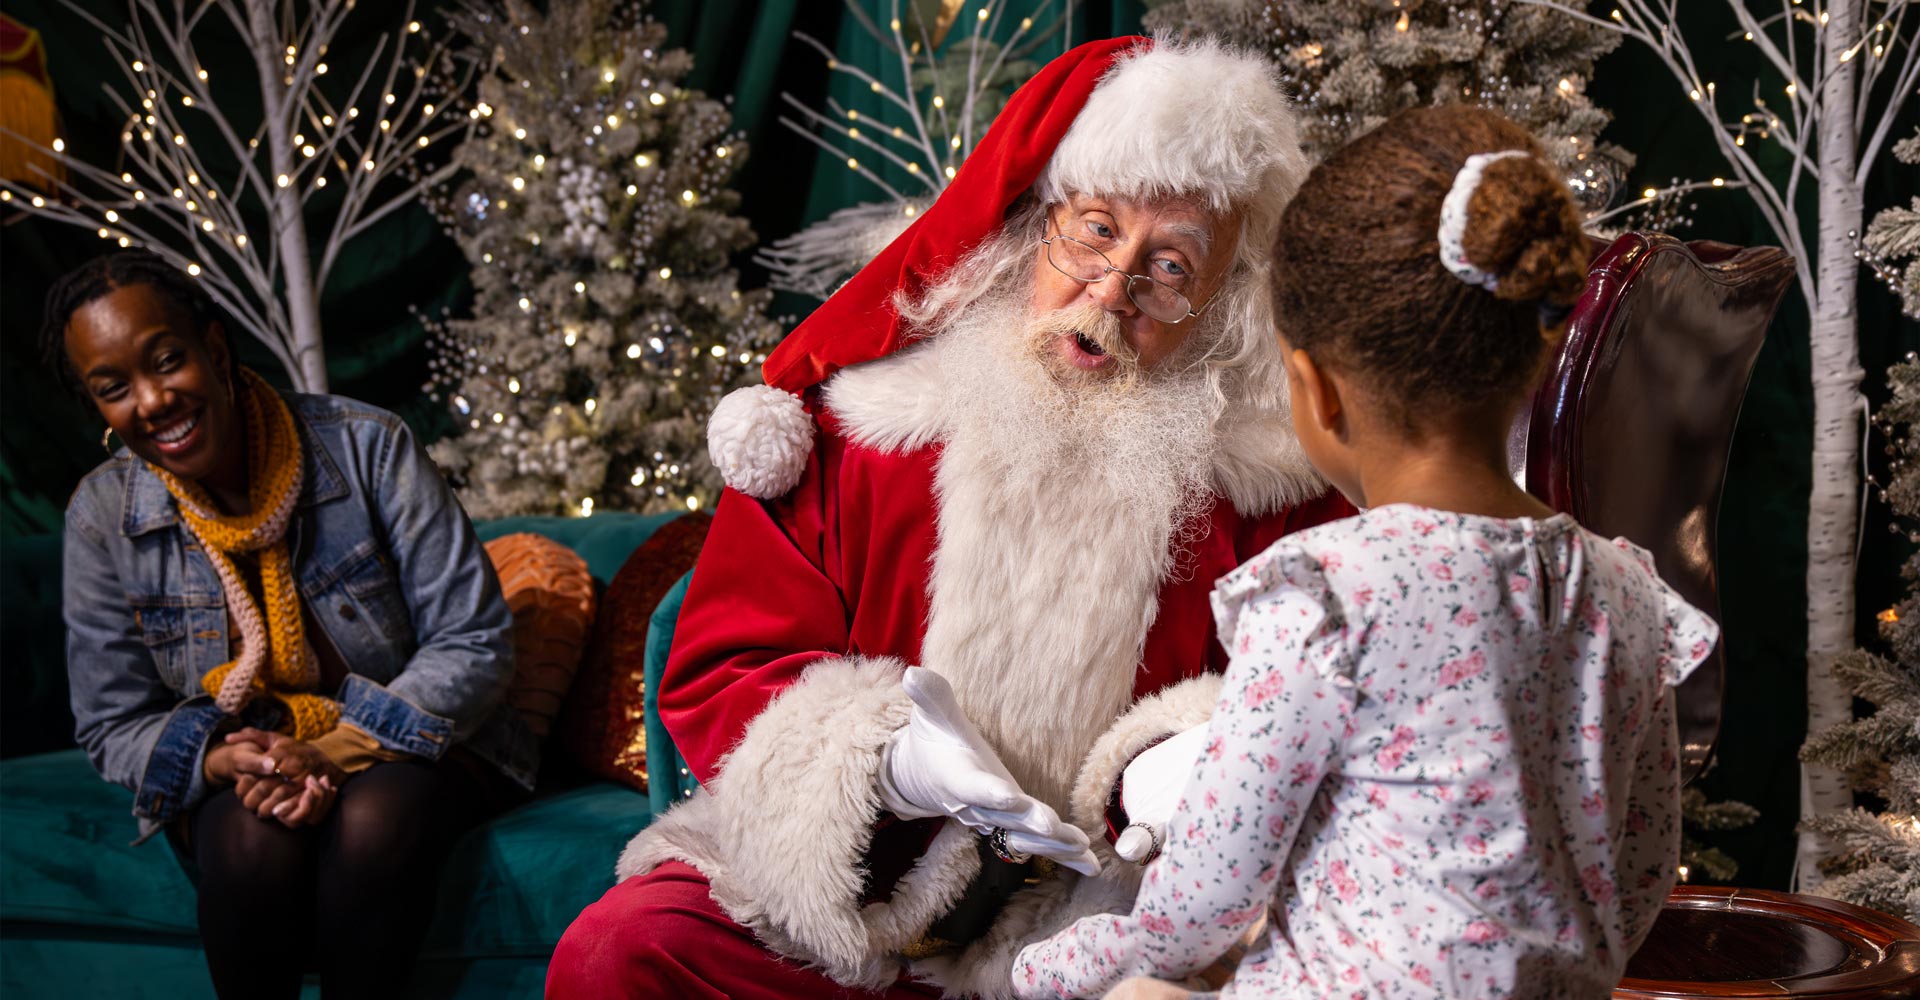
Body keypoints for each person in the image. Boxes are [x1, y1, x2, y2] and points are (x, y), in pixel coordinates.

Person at [548, 36, 1355, 1000]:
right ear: (1032, 225)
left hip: (1094, 925)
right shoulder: (861, 431)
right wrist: (882, 762)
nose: (1112, 290)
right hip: (845, 903)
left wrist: (1166, 760)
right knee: (623, 950)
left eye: (1170, 268)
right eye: (1094, 231)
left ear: (1218, 307)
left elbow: (1302, 702)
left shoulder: (1264, 497)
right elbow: (727, 667)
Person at [1008, 105, 1718, 1000]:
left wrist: (1059, 963)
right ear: (1533, 362)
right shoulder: (1627, 593)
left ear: (1315, 390)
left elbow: (1200, 910)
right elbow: (1643, 871)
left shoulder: (1326, 598)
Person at [49, 250, 536, 1000]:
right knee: (250, 843)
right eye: (114, 389)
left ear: (214, 347)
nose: (150, 401)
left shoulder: (368, 447)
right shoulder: (100, 517)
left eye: (167, 360)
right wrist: (223, 762)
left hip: (419, 747)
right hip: (247, 770)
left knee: (372, 820)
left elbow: (471, 639)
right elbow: (113, 723)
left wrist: (333, 753)